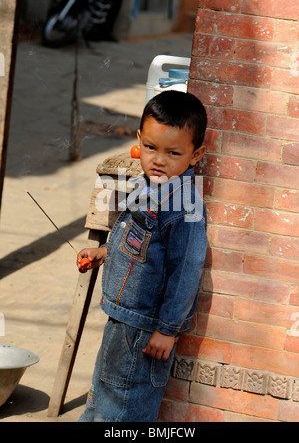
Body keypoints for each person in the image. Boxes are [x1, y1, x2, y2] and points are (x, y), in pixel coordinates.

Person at [77, 90, 208, 422]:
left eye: (173, 152)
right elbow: (137, 240)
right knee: (100, 398)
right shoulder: (146, 185)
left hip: (145, 330)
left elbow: (187, 269)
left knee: (121, 411)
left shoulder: (185, 206)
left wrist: (168, 329)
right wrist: (103, 251)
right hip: (122, 319)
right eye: (150, 148)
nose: (159, 160)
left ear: (195, 155)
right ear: (139, 140)